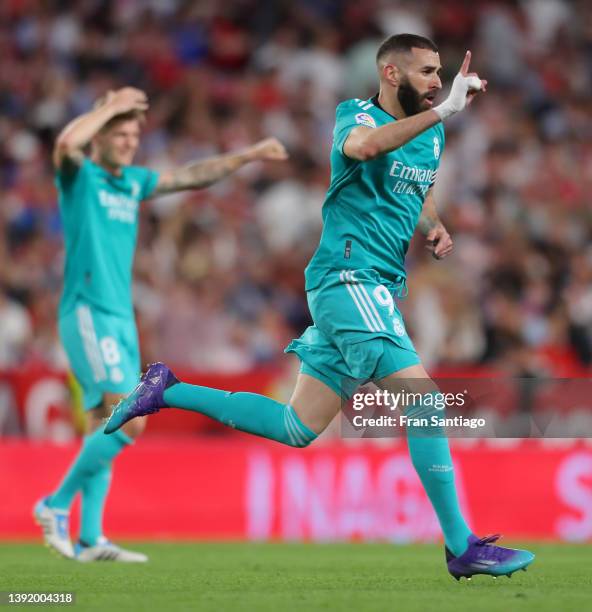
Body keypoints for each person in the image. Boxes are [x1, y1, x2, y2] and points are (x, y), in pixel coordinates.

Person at [105, 35, 535, 578]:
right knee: (425, 404)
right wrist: (446, 107)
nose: (436, 80)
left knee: (297, 426)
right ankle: (460, 545)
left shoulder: (433, 133)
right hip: (347, 276)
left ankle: (167, 388)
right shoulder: (355, 114)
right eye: (427, 70)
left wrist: (433, 225)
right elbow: (365, 149)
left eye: (440, 71)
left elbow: (417, 186)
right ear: (391, 73)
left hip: (372, 283)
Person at [34, 87, 288, 562]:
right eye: (120, 134)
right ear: (100, 136)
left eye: (134, 134)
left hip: (120, 314)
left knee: (102, 422)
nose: (130, 142)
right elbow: (65, 147)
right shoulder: (80, 177)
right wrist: (107, 108)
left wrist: (248, 155)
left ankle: (90, 538)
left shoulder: (132, 182)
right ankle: (54, 504)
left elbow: (191, 176)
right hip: (88, 310)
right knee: (128, 421)